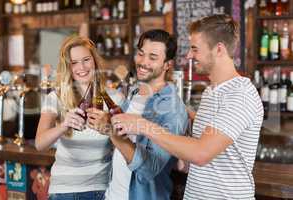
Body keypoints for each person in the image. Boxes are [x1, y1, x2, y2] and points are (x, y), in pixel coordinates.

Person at [111, 14, 264, 200]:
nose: (189, 55)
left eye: (195, 49)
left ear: (219, 50)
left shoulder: (240, 95)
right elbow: (200, 161)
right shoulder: (211, 92)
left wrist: (142, 125)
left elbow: (201, 153)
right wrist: (173, 158)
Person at [87, 29, 188, 200]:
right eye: (141, 54)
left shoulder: (172, 109)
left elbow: (150, 169)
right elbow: (120, 146)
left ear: (167, 65)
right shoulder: (133, 94)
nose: (143, 62)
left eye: (153, 57)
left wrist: (111, 131)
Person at [35, 35, 120, 200]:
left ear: (94, 61)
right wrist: (63, 126)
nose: (81, 67)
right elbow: (40, 144)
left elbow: (125, 142)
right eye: (74, 63)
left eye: (86, 59)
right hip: (65, 192)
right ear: (68, 67)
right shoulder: (56, 98)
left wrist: (109, 128)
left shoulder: (115, 98)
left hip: (101, 190)